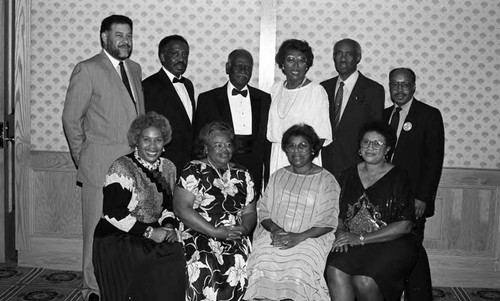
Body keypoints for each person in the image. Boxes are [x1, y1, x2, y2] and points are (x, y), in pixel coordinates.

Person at [61, 14, 145, 301]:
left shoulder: (135, 69)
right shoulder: (87, 69)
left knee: (125, 231)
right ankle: (92, 289)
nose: (125, 41)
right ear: (104, 37)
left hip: (131, 170)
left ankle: (119, 285)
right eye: (119, 35)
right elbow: (72, 120)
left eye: (129, 35)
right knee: (96, 234)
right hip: (99, 168)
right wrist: (84, 157)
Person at [93, 112, 185, 301]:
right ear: (136, 141)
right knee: (156, 257)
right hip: (117, 237)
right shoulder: (121, 167)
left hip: (150, 232)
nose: (152, 146)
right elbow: (112, 213)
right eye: (146, 139)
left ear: (164, 142)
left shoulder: (168, 167)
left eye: (158, 140)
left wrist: (168, 226)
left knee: (178, 251)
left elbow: (168, 205)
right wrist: (151, 233)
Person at [244, 123, 340, 301]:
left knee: (299, 267)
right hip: (275, 234)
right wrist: (276, 230)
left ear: (313, 149)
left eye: (303, 145)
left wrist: (298, 237)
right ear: (285, 150)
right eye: (291, 146)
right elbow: (263, 210)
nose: (296, 151)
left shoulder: (327, 180)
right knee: (262, 261)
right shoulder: (278, 176)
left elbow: (328, 221)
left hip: (311, 238)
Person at [326, 121, 419, 301]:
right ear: (359, 148)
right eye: (366, 142)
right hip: (352, 239)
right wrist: (341, 233)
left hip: (392, 242)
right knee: (335, 269)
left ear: (388, 150)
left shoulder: (400, 177)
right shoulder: (346, 174)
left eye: (377, 143)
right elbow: (335, 214)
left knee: (365, 281)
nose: (370, 147)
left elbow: (405, 225)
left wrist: (360, 239)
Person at [173, 121, 257, 301]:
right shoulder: (193, 169)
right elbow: (181, 209)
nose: (224, 150)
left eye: (228, 144)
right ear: (205, 148)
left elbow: (249, 211)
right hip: (198, 231)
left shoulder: (243, 173)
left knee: (243, 265)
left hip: (234, 233)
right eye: (217, 145)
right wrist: (214, 232)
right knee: (203, 264)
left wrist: (244, 229)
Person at [384, 67, 445, 301]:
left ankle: (419, 296)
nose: (399, 89)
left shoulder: (429, 115)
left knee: (413, 249)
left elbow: (433, 161)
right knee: (391, 249)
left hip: (414, 198)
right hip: (386, 197)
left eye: (404, 84)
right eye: (394, 84)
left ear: (414, 86)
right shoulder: (384, 115)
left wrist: (423, 197)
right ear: (389, 86)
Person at [194, 49, 271, 196]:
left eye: (248, 67)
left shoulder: (264, 99)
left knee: (249, 213)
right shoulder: (207, 99)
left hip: (253, 169)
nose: (243, 70)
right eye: (239, 66)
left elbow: (267, 143)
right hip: (218, 167)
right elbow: (199, 143)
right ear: (228, 68)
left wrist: (266, 176)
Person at [321, 38, 385, 181]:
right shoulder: (323, 88)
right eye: (338, 53)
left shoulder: (373, 90)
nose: (343, 59)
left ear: (358, 57)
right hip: (325, 166)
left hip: (357, 168)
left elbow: (376, 133)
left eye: (349, 54)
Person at [267, 39, 332, 175]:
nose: (296, 65)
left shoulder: (316, 91)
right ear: (283, 64)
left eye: (301, 60)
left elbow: (320, 135)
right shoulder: (276, 89)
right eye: (290, 59)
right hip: (278, 156)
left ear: (307, 65)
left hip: (303, 160)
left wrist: (302, 163)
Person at [143, 35, 196, 173]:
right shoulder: (149, 85)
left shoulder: (188, 85)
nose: (181, 59)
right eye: (175, 54)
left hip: (188, 161)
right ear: (162, 56)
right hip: (163, 162)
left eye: (185, 55)